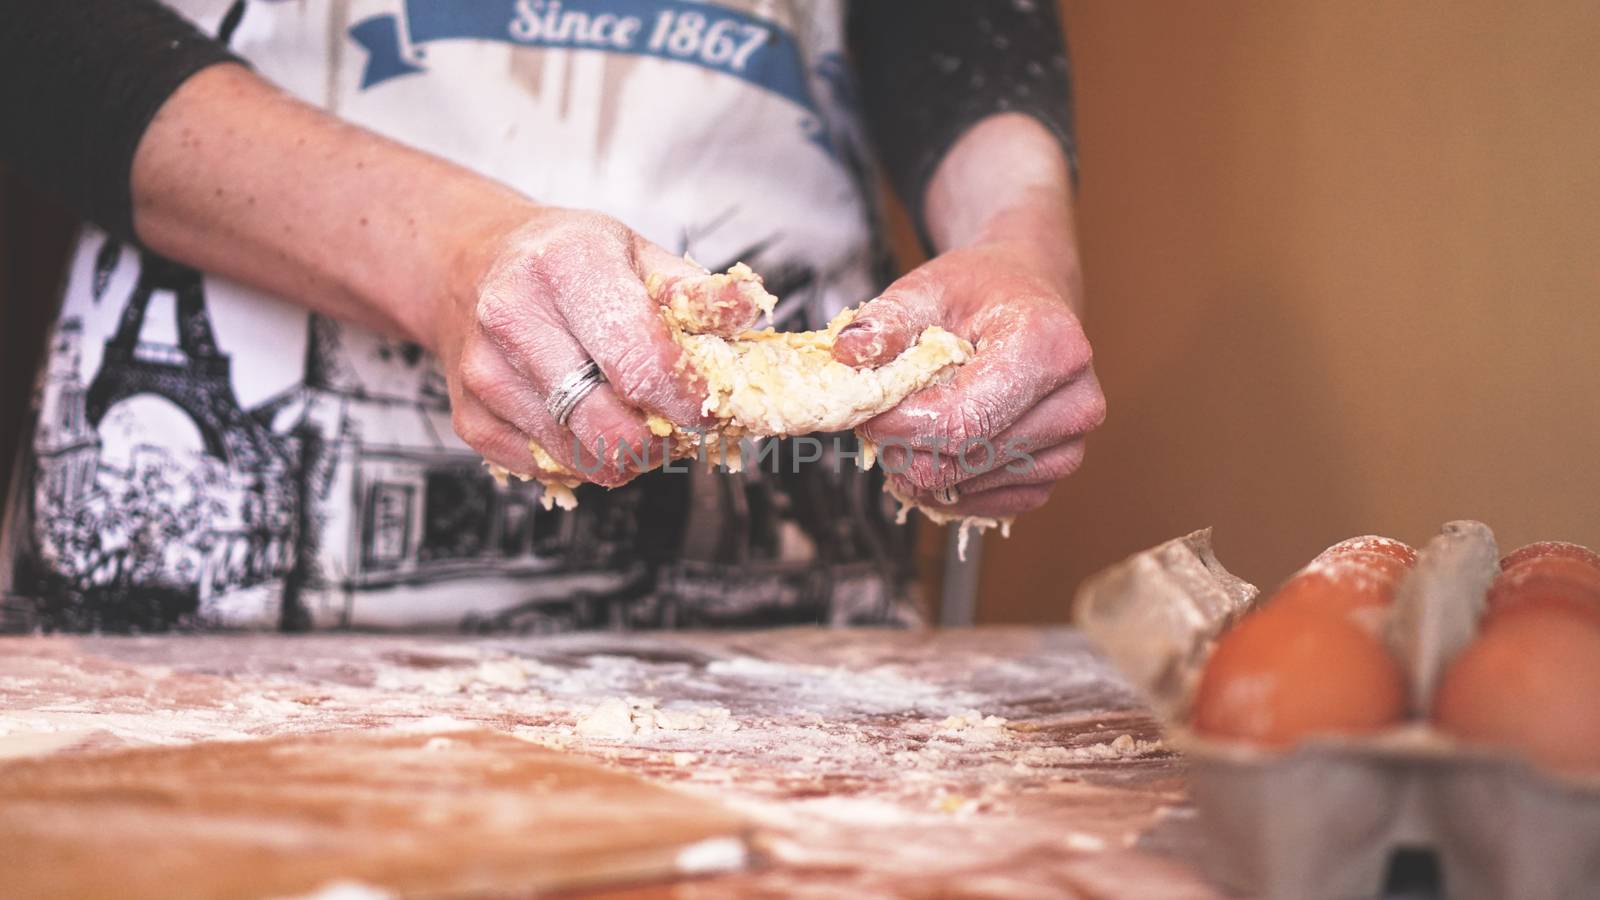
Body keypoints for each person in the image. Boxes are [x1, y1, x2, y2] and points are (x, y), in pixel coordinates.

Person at [0, 0, 1104, 633]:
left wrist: (1018, 237)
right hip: (240, 546)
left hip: (784, 598)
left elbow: (952, 28)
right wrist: (445, 254)